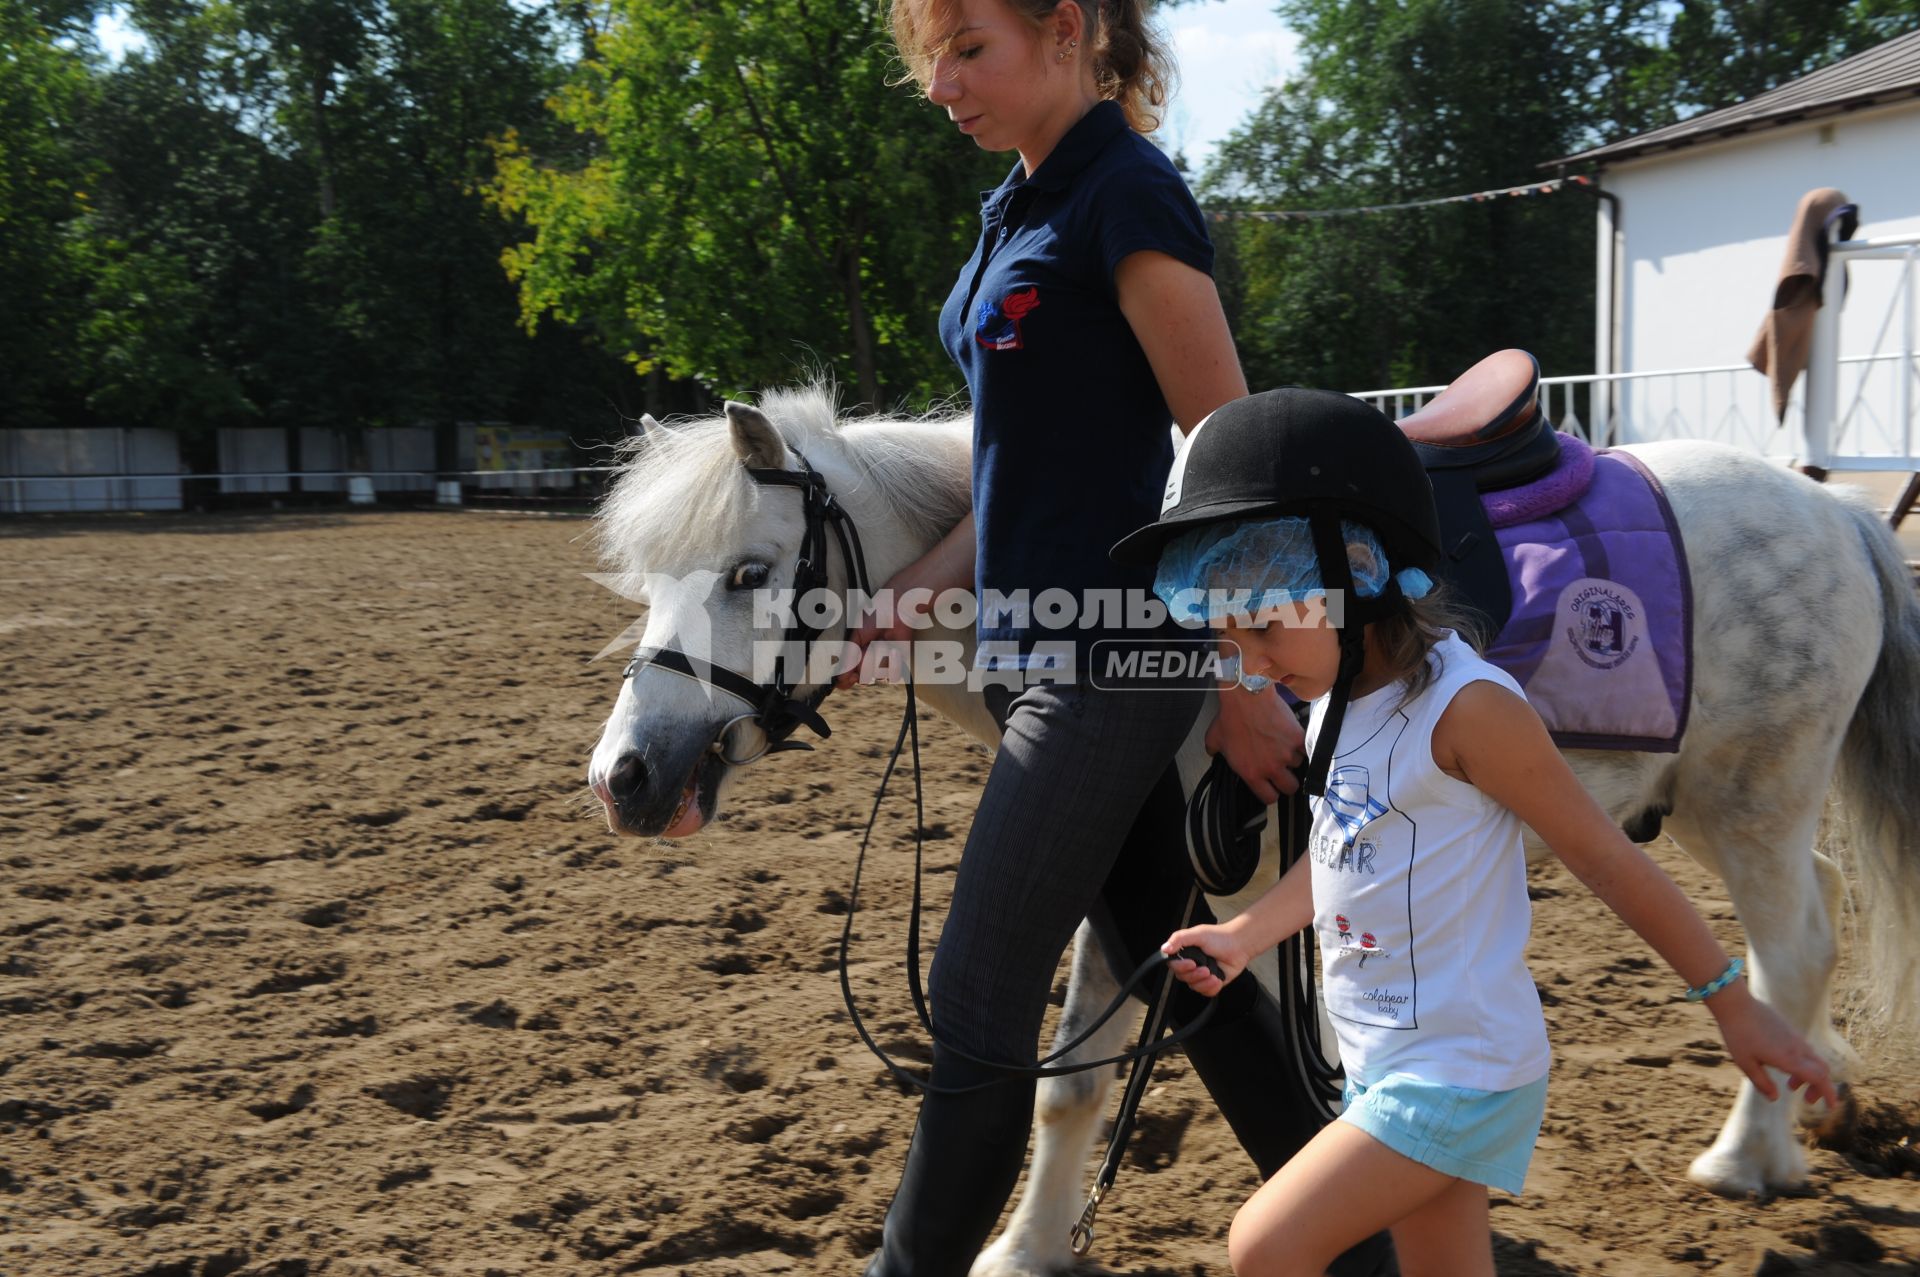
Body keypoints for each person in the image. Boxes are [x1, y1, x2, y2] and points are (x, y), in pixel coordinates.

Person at [837, 2, 1392, 1275]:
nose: (940, 85)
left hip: (1109, 664)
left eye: (968, 47)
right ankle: (1363, 1250)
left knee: (976, 997)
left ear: (1068, 29)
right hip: (1031, 653)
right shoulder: (1014, 214)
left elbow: (1227, 452)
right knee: (1174, 966)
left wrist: (1241, 677)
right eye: (932, 58)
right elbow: (1013, 476)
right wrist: (912, 595)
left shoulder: (1126, 194)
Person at [1109, 387, 1843, 1277]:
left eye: (1263, 625)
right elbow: (1346, 848)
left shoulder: (1471, 710)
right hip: (1385, 1061)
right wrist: (1244, 931)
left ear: (1358, 571)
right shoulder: (1330, 700)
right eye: (1229, 638)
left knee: (1265, 1245)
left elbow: (1606, 859)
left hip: (1460, 1072)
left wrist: (1733, 1002)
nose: (1251, 665)